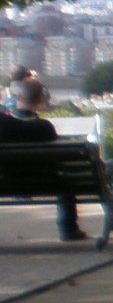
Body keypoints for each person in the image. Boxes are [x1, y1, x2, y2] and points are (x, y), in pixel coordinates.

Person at [0, 78, 86, 241]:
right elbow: (58, 161)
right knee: (66, 183)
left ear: (17, 98)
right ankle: (68, 229)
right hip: (47, 182)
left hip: (7, 180)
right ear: (40, 100)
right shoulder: (45, 127)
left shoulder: (3, 124)